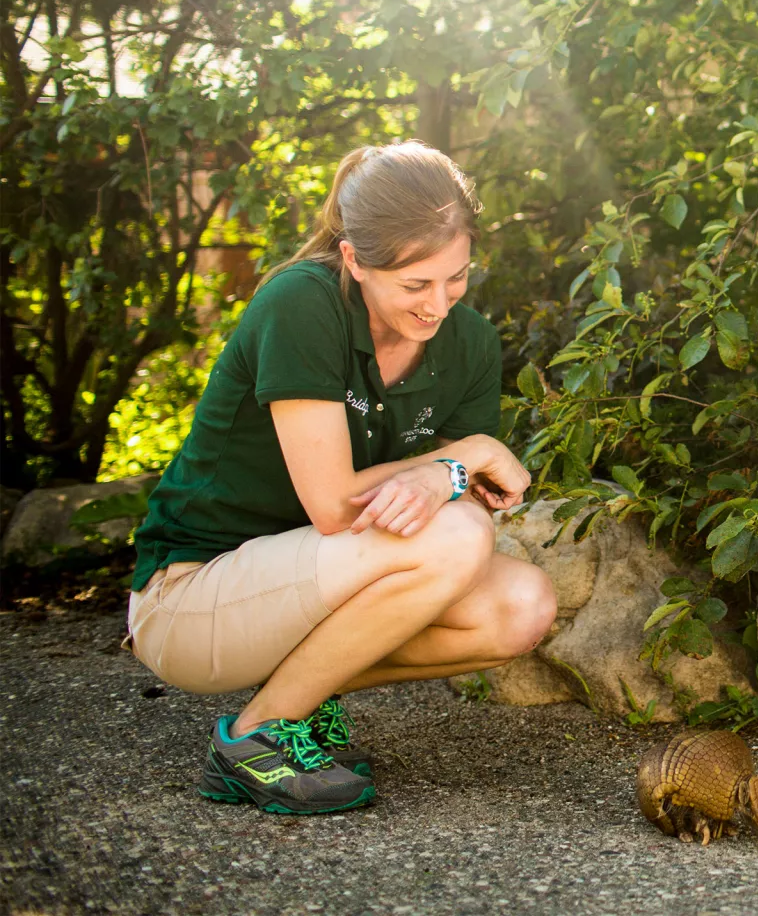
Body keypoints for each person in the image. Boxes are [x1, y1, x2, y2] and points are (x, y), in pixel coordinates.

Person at [126, 141, 556, 815]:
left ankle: (299, 697)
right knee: (454, 536)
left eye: (456, 278)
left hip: (314, 583)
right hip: (192, 597)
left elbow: (455, 496)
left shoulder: (469, 342)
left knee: (521, 606)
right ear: (355, 260)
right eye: (413, 285)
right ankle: (255, 738)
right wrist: (465, 456)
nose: (437, 305)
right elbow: (335, 504)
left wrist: (452, 474)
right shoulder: (303, 302)